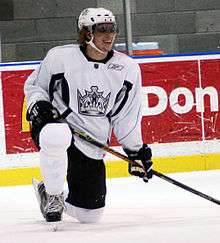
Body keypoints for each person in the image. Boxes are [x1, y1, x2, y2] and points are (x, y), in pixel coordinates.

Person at [24, 7, 153, 223]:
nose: (109, 36)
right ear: (86, 33)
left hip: (92, 141)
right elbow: (36, 87)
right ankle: (54, 196)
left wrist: (135, 150)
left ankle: (46, 192)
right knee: (56, 134)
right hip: (56, 123)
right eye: (101, 30)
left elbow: (126, 115)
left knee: (89, 215)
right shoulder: (60, 57)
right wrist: (39, 106)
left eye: (112, 29)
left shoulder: (127, 68)